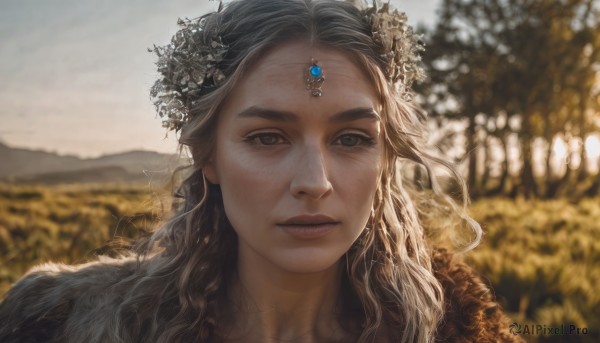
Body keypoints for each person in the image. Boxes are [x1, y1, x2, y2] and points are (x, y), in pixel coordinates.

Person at [0, 0, 522, 342]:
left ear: (386, 159)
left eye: (352, 138)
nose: (314, 181)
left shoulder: (453, 328)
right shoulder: (59, 323)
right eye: (268, 137)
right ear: (209, 156)